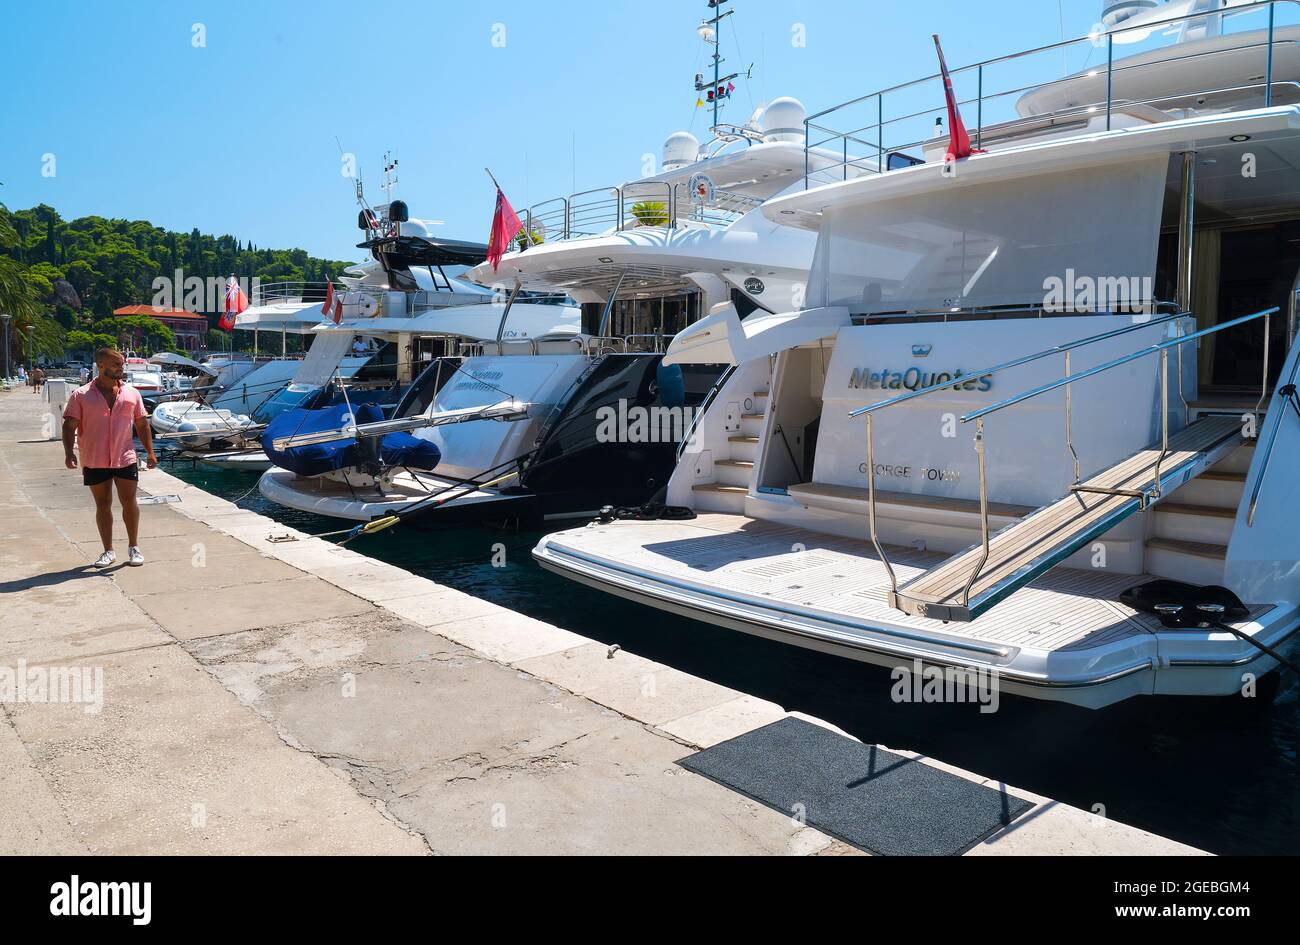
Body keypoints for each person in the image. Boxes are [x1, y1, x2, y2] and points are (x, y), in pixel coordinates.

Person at [61, 348, 158, 568]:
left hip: (125, 457)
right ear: (101, 365)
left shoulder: (132, 393)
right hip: (94, 459)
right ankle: (108, 551)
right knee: (103, 504)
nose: (121, 368)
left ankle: (134, 547)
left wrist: (150, 452)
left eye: (122, 364)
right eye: (116, 364)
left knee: (129, 502)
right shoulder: (81, 395)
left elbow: (142, 424)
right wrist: (68, 453)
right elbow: (69, 426)